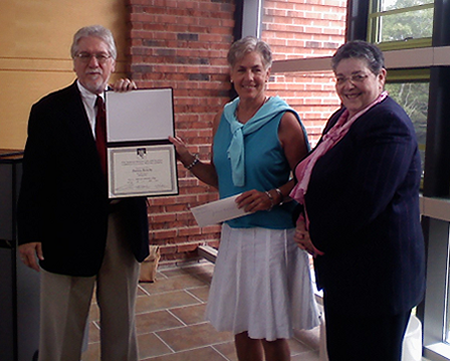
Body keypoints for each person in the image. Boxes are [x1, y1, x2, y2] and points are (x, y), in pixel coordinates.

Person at [170, 36, 319, 361]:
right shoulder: (223, 118)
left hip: (273, 239)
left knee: (269, 328)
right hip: (236, 235)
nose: (248, 77)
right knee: (242, 325)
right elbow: (219, 177)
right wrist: (187, 159)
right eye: (241, 69)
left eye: (256, 69)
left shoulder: (285, 121)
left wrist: (272, 196)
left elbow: (304, 179)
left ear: (267, 73)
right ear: (231, 74)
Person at [17, 25, 149, 361]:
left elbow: (149, 158)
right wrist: (29, 234)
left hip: (121, 228)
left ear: (112, 61)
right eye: (85, 55)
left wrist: (136, 103)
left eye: (101, 55)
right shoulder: (48, 111)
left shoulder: (130, 106)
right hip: (66, 233)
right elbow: (34, 177)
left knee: (122, 326)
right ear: (74, 61)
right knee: (62, 330)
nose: (93, 62)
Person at [290, 40, 426, 361]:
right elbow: (316, 175)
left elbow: (365, 201)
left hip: (377, 280)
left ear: (381, 77)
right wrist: (301, 216)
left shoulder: (388, 123)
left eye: (358, 76)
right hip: (347, 272)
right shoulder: (343, 118)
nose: (347, 86)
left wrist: (316, 235)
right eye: (340, 77)